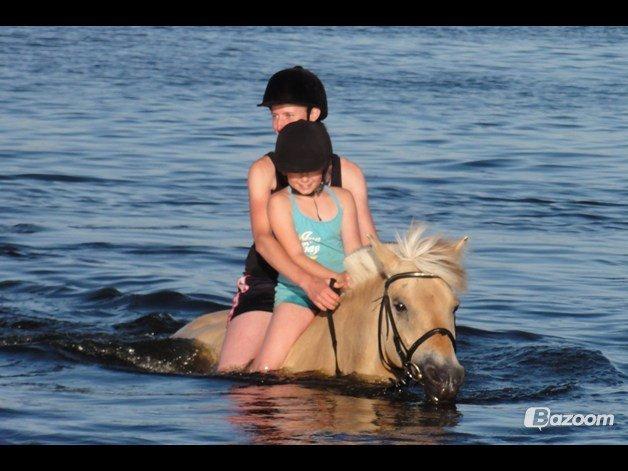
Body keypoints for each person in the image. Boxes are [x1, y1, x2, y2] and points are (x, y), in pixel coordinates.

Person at [217, 66, 377, 372]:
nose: (278, 125)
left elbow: (367, 241)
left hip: (339, 281)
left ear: (314, 114)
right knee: (234, 376)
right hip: (271, 280)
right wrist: (310, 283)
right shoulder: (262, 171)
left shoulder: (349, 175)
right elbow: (264, 240)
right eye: (274, 116)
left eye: (287, 115)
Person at [249, 120, 362, 372]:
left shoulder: (344, 197)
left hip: (345, 287)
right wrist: (336, 277)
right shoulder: (279, 203)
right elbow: (296, 255)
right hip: (298, 293)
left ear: (324, 169)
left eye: (310, 172)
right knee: (266, 368)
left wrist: (359, 278)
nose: (303, 180)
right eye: (295, 173)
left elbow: (354, 248)